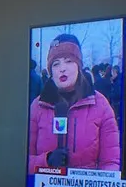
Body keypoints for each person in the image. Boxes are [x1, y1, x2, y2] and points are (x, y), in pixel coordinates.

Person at [28, 34, 121, 173]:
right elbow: (23, 162)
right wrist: (46, 161)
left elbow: (111, 162)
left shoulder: (101, 105)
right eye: (56, 64)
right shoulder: (37, 106)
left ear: (79, 66)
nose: (62, 68)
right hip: (44, 186)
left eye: (68, 61)